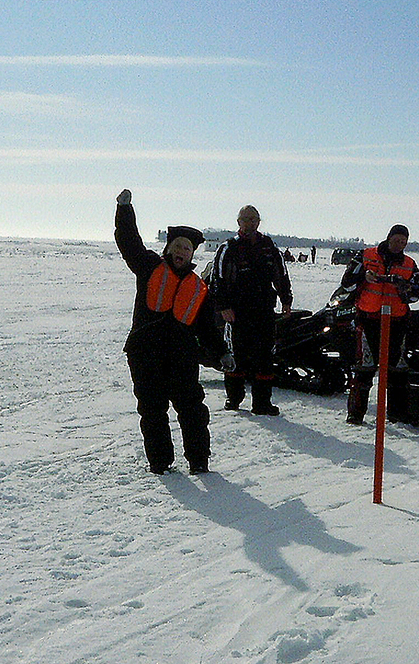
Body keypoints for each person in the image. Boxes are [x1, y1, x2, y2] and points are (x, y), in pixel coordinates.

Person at [114, 189, 233, 474]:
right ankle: (160, 463)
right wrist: (124, 210)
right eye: (178, 246)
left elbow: (206, 327)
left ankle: (199, 461)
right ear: (168, 248)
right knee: (152, 411)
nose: (181, 251)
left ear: (192, 254)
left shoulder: (198, 288)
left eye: (187, 249)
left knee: (192, 411)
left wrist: (222, 353)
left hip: (181, 357)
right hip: (144, 354)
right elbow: (129, 242)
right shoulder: (149, 267)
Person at [209, 205, 293, 416]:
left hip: (264, 309)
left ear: (259, 221)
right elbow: (217, 279)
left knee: (264, 357)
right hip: (237, 311)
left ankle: (262, 403)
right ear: (239, 222)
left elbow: (280, 273)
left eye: (254, 219)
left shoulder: (268, 245)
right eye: (246, 219)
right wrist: (223, 307)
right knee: (238, 356)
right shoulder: (229, 247)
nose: (250, 223)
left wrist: (286, 299)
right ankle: (234, 399)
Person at [338, 225, 419, 425]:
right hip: (368, 320)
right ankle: (356, 413)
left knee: (398, 370)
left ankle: (397, 413)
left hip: (397, 322)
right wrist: (363, 277)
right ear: (389, 238)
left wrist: (404, 287)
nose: (399, 245)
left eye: (403, 242)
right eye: (397, 240)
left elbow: (416, 293)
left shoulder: (410, 264)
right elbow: (346, 281)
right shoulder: (366, 255)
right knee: (364, 368)